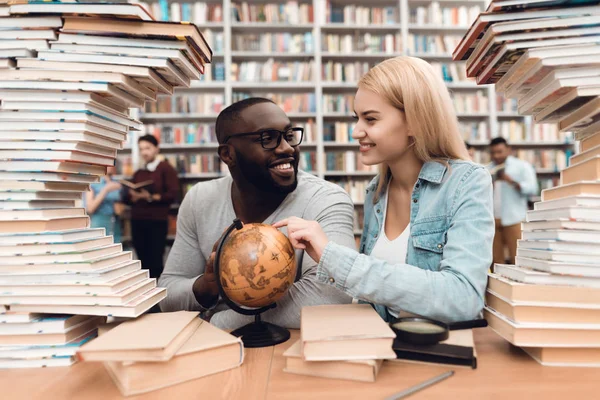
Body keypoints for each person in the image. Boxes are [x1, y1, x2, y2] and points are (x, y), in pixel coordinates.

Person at [273, 56, 495, 323]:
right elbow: (375, 299)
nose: (356, 131)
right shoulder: (376, 192)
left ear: (415, 121)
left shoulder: (467, 182)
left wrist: (336, 257)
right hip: (385, 349)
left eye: (371, 119)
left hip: (438, 354)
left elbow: (463, 299)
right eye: (357, 118)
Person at [158, 98, 355, 330]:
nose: (287, 148)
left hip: (286, 349)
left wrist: (218, 322)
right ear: (227, 154)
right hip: (217, 351)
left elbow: (330, 296)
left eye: (289, 135)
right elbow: (167, 293)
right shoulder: (199, 200)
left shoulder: (326, 199)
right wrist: (206, 286)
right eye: (267, 138)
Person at [122, 135, 180, 279]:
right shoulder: (139, 173)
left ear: (156, 149)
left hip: (156, 221)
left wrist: (149, 197)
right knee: (142, 261)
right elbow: (126, 199)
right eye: (141, 149)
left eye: (147, 148)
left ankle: (157, 297)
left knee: (155, 260)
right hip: (137, 220)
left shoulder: (166, 168)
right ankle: (146, 295)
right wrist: (132, 196)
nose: (144, 152)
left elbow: (172, 194)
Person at [488, 137, 538, 265]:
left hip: (514, 218)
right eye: (493, 152)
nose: (496, 155)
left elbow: (533, 188)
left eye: (500, 151)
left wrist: (512, 182)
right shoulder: (487, 169)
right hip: (492, 220)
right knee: (495, 261)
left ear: (508, 150)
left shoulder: (522, 166)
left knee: (517, 258)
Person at [85, 165, 123, 243]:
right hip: (99, 222)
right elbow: (90, 208)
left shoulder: (116, 182)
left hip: (115, 223)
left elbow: (119, 210)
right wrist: (106, 190)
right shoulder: (93, 183)